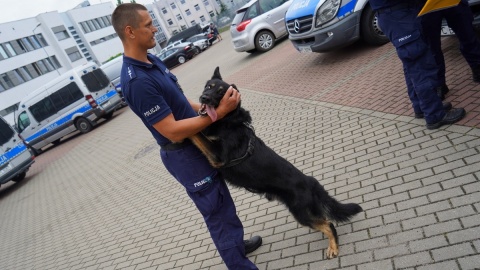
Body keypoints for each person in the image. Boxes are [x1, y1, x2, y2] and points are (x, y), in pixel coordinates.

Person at [111, 4, 261, 269]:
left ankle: (236, 247)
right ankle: (239, 264)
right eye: (148, 24)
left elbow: (180, 100)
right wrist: (217, 115)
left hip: (198, 141)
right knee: (217, 211)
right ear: (130, 31)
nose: (155, 28)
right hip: (184, 154)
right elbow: (169, 129)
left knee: (223, 202)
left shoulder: (150, 60)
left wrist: (210, 109)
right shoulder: (136, 82)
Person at [369, 0, 466, 129]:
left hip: (396, 14)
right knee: (420, 65)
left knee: (411, 63)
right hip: (398, 14)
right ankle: (434, 114)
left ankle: (421, 106)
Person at [421, 0, 480, 100]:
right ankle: (439, 84)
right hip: (427, 6)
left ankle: (478, 68)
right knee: (432, 48)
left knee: (468, 35)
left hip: (453, 2)